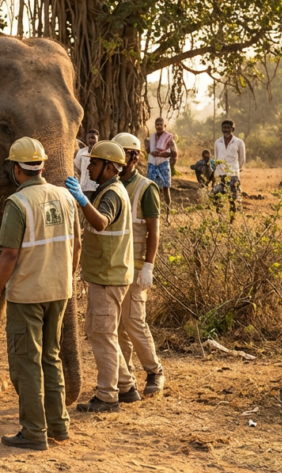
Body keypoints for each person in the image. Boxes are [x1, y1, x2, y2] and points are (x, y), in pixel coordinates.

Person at [0, 138, 81, 451]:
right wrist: (65, 276)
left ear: (16, 169)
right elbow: (76, 246)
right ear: (42, 165)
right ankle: (59, 427)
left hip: (28, 295)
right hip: (59, 291)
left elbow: (9, 255)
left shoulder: (18, 203)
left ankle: (33, 432)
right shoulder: (66, 197)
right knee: (50, 358)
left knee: (26, 363)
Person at [65, 140, 137, 413]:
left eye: (94, 163)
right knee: (104, 333)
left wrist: (82, 201)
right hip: (109, 273)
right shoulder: (110, 189)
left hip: (109, 276)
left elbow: (101, 222)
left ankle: (108, 396)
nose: (89, 167)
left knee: (103, 335)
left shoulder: (111, 195)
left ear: (109, 167)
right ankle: (126, 386)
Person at [112, 133, 166, 397]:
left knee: (134, 322)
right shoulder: (110, 186)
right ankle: (126, 378)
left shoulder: (146, 188)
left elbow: (154, 232)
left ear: (135, 157)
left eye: (125, 154)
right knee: (117, 326)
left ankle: (154, 371)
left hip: (134, 268)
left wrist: (148, 267)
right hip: (114, 268)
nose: (120, 160)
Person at [145, 117, 177, 222]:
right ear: (155, 125)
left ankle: (168, 214)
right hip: (152, 164)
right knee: (154, 189)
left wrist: (161, 154)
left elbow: (174, 153)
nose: (158, 126)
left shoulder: (169, 137)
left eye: (160, 125)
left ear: (164, 126)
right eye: (157, 124)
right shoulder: (152, 137)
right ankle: (155, 214)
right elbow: (148, 150)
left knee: (166, 189)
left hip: (163, 164)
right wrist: (146, 143)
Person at [212, 120, 246, 214]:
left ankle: (232, 217)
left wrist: (236, 170)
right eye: (224, 128)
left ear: (233, 129)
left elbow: (242, 159)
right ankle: (220, 216)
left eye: (228, 128)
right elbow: (216, 157)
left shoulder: (239, 142)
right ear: (221, 129)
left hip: (233, 173)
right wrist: (217, 172)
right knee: (216, 195)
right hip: (220, 173)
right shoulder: (218, 142)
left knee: (232, 198)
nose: (226, 130)